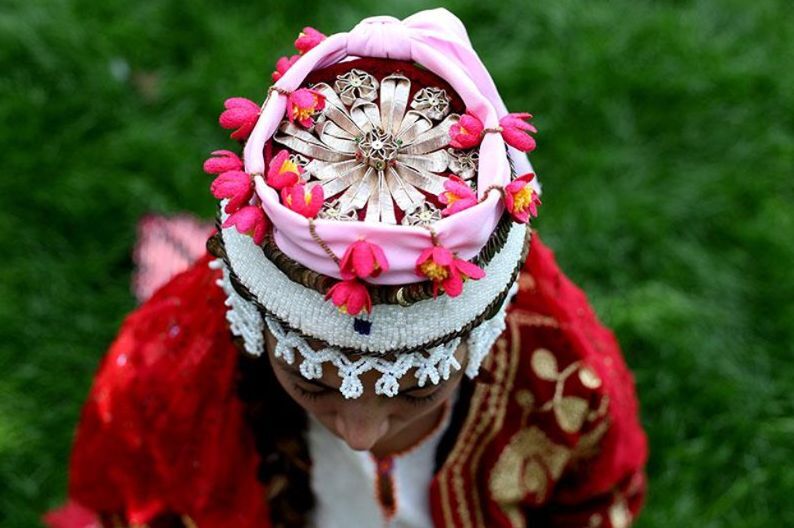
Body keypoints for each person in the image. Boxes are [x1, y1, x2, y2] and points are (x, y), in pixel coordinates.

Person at [46, 9, 648, 528]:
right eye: (311, 381)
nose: (360, 433)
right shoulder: (174, 365)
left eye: (415, 389)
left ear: (482, 335)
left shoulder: (561, 373)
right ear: (257, 329)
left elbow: (598, 499)